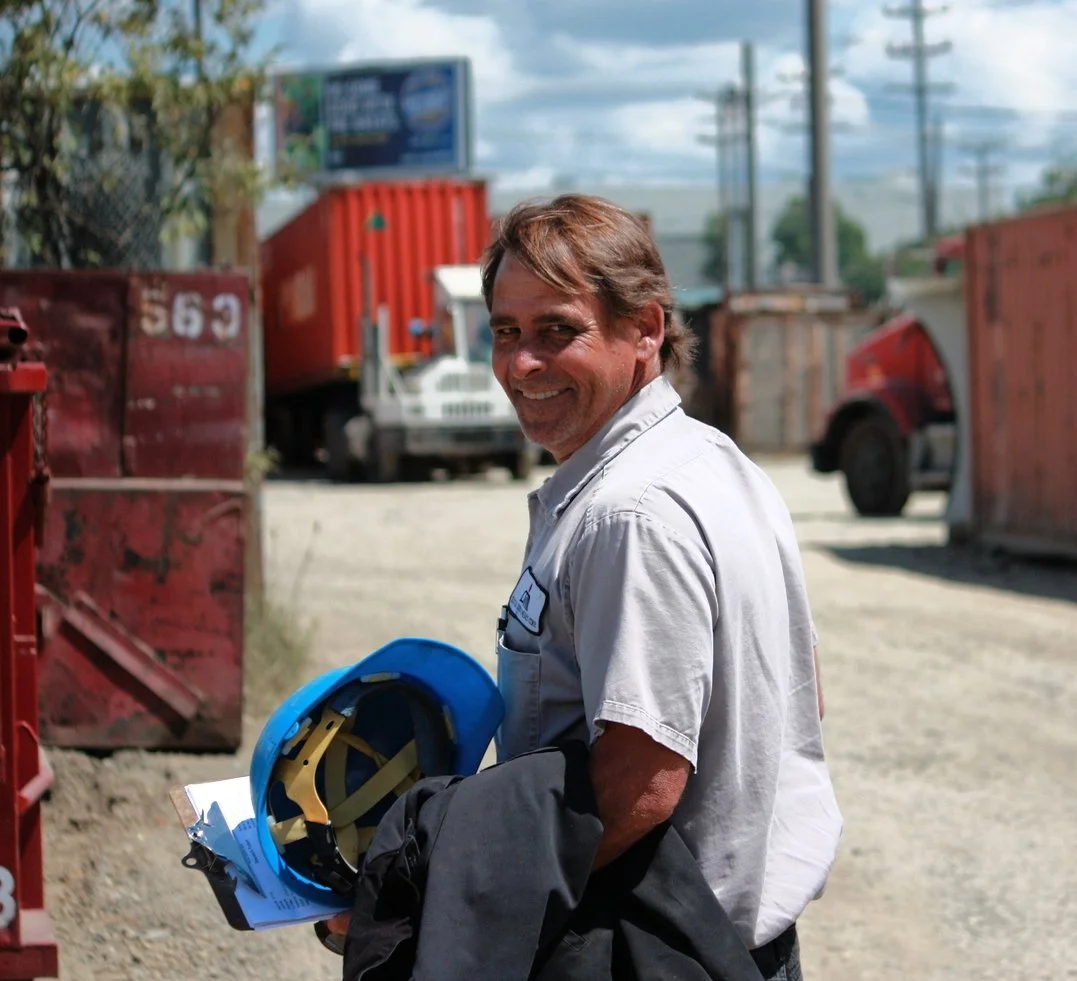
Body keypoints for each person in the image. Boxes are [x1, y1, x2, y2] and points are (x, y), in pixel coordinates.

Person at [323, 194, 842, 978]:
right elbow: (806, 689)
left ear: (645, 329)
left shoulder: (630, 512)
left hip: (655, 950)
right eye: (505, 331)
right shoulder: (714, 463)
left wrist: (443, 895)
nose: (521, 364)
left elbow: (641, 780)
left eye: (557, 331)